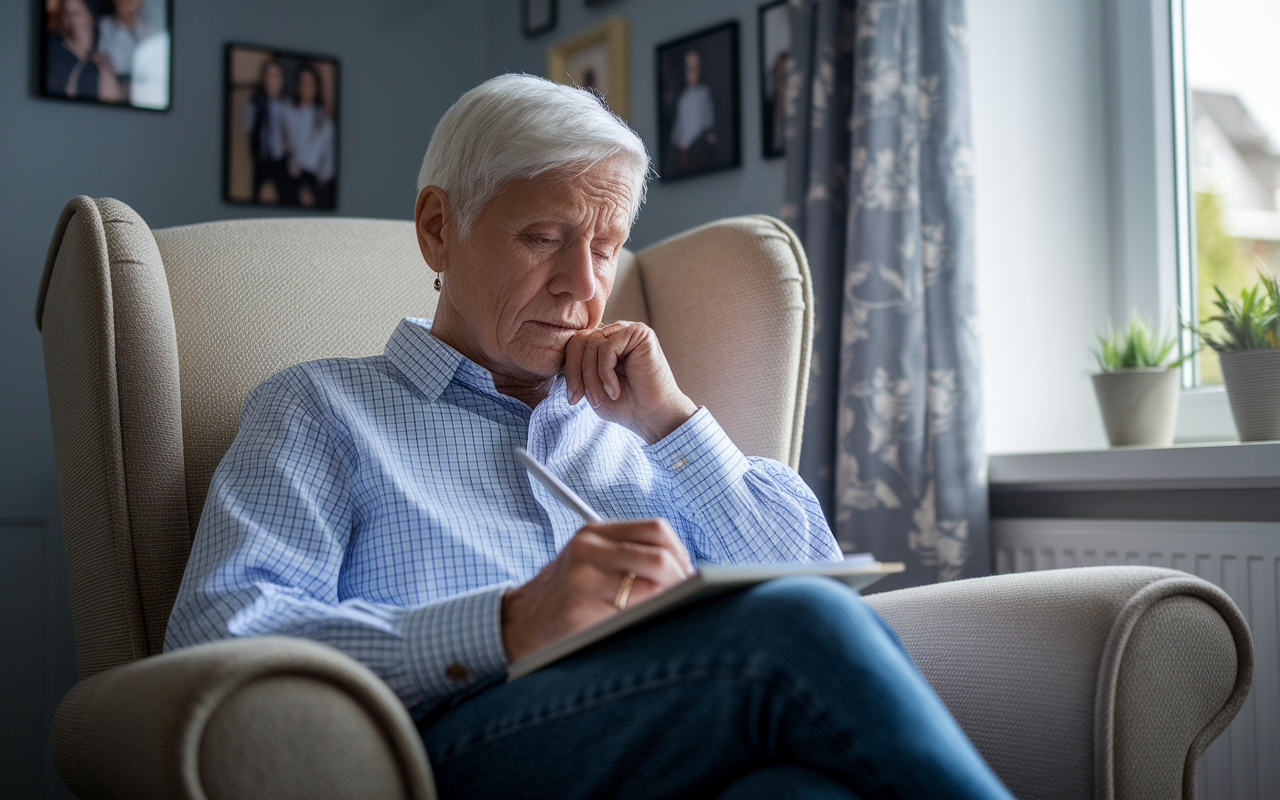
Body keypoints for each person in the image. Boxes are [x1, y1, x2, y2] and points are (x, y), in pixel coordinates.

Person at [166, 74, 1015, 799]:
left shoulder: (642, 430)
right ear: (438, 228)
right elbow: (216, 640)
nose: (582, 284)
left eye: (606, 249)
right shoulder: (320, 409)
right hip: (451, 753)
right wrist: (503, 624)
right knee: (788, 628)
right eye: (544, 238)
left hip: (664, 743)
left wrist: (671, 422)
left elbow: (831, 596)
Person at [44, 0, 123, 103]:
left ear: (90, 17)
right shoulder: (51, 48)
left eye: (76, 14)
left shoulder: (103, 58)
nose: (70, 20)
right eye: (66, 14)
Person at [282, 64, 336, 208]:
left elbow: (328, 148)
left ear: (317, 86)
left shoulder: (322, 117)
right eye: (303, 83)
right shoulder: (289, 111)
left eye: (310, 83)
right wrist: (292, 161)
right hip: (293, 168)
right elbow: (286, 141)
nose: (306, 88)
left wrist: (325, 172)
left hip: (315, 171)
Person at [242, 59, 295, 205]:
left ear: (282, 79)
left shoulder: (286, 105)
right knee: (255, 199)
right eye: (269, 75)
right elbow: (248, 129)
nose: (273, 80)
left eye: (277, 75)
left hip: (280, 158)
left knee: (287, 199)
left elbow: (291, 136)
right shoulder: (254, 103)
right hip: (262, 158)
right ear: (263, 78)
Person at [668, 48, 716, 175]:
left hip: (699, 146)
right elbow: (679, 123)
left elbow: (707, 117)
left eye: (695, 69)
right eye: (689, 69)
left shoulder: (704, 93)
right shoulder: (682, 99)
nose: (692, 73)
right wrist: (677, 141)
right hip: (683, 149)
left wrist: (708, 133)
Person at [96, 0, 155, 97]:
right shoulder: (105, 24)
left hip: (140, 86)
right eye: (124, 1)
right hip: (112, 84)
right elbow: (100, 54)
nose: (127, 4)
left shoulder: (147, 31)